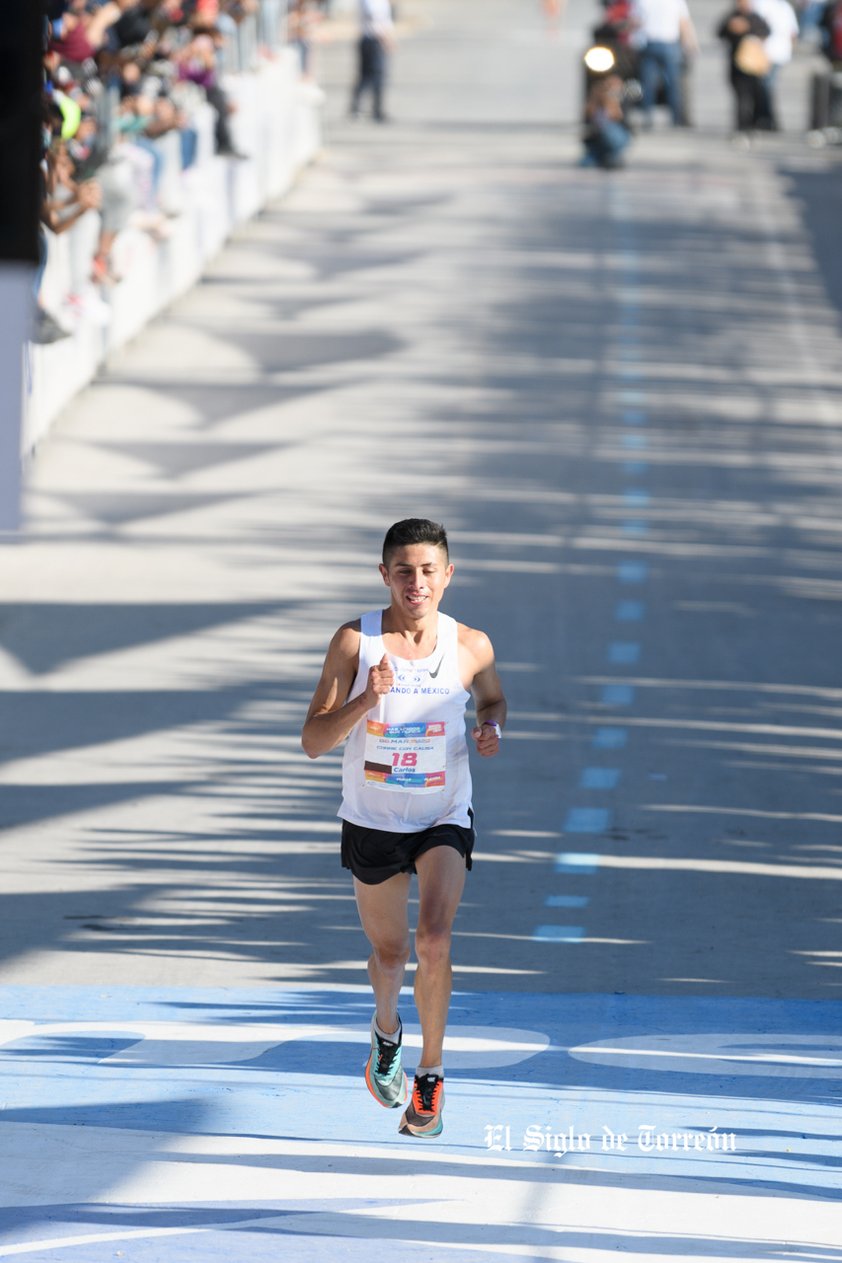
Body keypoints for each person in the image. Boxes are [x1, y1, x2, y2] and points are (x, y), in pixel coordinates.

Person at [301, 519, 507, 1138]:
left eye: (427, 571)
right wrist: (366, 700)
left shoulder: (471, 645)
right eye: (403, 571)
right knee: (390, 955)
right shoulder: (354, 643)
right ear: (384, 575)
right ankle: (386, 1030)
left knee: (435, 939)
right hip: (372, 818)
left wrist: (492, 728)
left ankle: (432, 1074)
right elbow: (313, 741)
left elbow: (493, 700)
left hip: (444, 814)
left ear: (448, 575)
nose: (415, 583)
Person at [632, 0, 698, 126]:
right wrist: (690, 44)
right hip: (669, 43)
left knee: (648, 83)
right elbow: (683, 23)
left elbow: (636, 21)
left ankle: (647, 117)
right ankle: (676, 119)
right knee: (673, 84)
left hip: (649, 43)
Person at [717, 0, 772, 139]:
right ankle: (741, 126)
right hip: (736, 64)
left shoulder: (755, 17)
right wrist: (731, 27)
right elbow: (719, 33)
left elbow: (766, 31)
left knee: (754, 96)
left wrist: (747, 27)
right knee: (741, 98)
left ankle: (753, 125)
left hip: (752, 65)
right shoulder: (731, 16)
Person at [754, 0, 799, 129]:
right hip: (777, 52)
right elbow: (793, 33)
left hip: (770, 52)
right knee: (766, 85)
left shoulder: (763, 4)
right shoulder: (784, 6)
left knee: (765, 85)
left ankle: (766, 118)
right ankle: (765, 118)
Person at [349, 0, 394, 121]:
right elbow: (375, 18)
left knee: (370, 76)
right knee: (372, 75)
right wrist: (386, 39)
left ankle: (371, 108)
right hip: (373, 39)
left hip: (372, 38)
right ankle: (370, 109)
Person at [581, 72, 632, 168]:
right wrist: (597, 97)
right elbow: (588, 118)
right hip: (597, 142)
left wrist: (611, 100)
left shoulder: (623, 100)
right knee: (586, 163)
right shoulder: (595, 101)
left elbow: (618, 116)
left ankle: (611, 156)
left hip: (615, 139)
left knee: (612, 134)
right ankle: (601, 156)